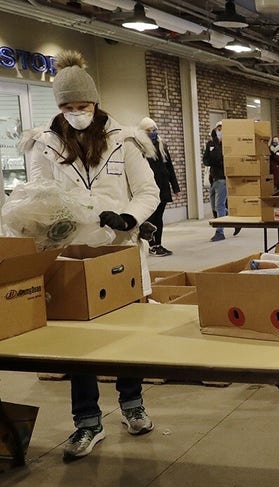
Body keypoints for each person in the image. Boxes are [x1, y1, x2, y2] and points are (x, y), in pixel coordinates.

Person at [18, 50, 160, 460]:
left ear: (95, 103)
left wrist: (128, 217)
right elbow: (37, 197)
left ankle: (133, 406)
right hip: (71, 254)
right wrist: (46, 224)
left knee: (128, 334)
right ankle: (87, 422)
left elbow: (149, 191)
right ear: (58, 107)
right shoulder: (44, 145)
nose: (76, 113)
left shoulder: (125, 140)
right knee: (78, 342)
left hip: (119, 249)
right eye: (67, 106)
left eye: (82, 105)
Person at [140, 117, 180, 256]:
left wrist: (175, 187)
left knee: (159, 218)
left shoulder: (162, 144)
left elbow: (169, 167)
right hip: (149, 187)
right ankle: (152, 245)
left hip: (163, 186)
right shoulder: (140, 147)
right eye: (148, 130)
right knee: (152, 217)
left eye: (154, 130)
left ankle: (158, 244)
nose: (152, 133)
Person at [203, 120, 229, 241]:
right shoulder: (210, 144)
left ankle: (220, 232)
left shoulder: (228, 144)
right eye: (218, 128)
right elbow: (206, 160)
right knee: (214, 206)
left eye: (222, 128)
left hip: (222, 179)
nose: (220, 131)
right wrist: (215, 161)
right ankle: (232, 218)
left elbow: (223, 160)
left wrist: (217, 160)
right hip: (213, 179)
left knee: (219, 205)